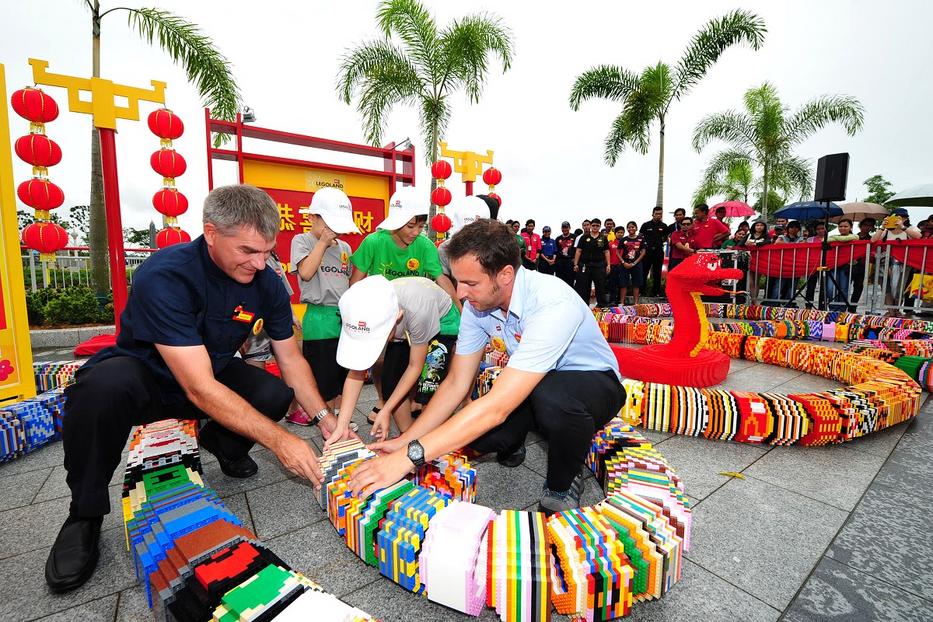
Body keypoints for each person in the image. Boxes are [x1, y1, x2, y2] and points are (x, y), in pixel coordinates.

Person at [46, 185, 341, 593]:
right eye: (247, 251)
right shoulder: (167, 274)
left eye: (267, 251)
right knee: (99, 390)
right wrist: (281, 442)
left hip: (212, 370)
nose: (259, 263)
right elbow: (198, 388)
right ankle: (84, 513)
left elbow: (290, 359)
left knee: (273, 394)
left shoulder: (267, 282)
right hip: (148, 374)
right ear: (211, 232)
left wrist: (326, 419)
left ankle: (222, 443)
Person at [346, 219, 625, 515]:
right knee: (477, 435)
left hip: (593, 384)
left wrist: (408, 457)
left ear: (505, 275)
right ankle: (515, 441)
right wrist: (407, 440)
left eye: (470, 283)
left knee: (551, 400)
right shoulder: (479, 306)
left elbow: (497, 407)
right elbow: (456, 382)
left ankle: (562, 483)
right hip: (535, 381)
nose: (460, 294)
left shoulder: (551, 302)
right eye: (457, 281)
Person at [349, 186, 458, 420]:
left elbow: (442, 279)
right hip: (383, 315)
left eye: (420, 226)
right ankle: (383, 400)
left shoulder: (425, 246)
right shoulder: (374, 242)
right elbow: (356, 282)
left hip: (414, 315)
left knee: (415, 363)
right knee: (380, 361)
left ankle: (408, 403)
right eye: (411, 226)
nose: (416, 232)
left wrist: (460, 309)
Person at [325, 276, 460, 445]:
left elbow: (414, 366)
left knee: (429, 386)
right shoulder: (364, 309)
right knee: (390, 383)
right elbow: (356, 371)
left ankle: (432, 441)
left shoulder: (417, 309)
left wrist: (386, 410)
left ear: (397, 318)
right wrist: (342, 425)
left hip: (442, 322)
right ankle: (408, 438)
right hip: (404, 326)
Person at [287, 187, 359, 425]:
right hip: (319, 318)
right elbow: (305, 273)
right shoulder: (303, 240)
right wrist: (323, 243)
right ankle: (328, 426)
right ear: (312, 217)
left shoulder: (345, 248)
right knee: (323, 380)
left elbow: (348, 282)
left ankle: (340, 420)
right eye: (328, 223)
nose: (333, 230)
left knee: (341, 376)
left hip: (343, 318)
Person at [872, 213, 921, 311]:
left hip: (903, 264)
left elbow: (918, 236)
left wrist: (902, 226)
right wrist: (882, 226)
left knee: (899, 287)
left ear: (906, 218)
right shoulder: (886, 231)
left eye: (900, 218)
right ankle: (890, 311)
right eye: (893, 218)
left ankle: (896, 310)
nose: (896, 220)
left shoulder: (909, 229)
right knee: (887, 288)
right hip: (885, 263)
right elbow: (873, 240)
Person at [573, 218, 611, 306]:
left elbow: (606, 251)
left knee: (600, 286)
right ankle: (585, 306)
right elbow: (578, 251)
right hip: (585, 265)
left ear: (600, 226)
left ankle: (602, 306)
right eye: (593, 225)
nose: (595, 227)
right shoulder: (584, 237)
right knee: (584, 287)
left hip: (599, 265)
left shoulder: (603, 238)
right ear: (590, 226)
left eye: (597, 226)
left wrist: (608, 265)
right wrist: (575, 264)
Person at [825, 218, 858, 311]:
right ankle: (833, 308)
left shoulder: (854, 237)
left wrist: (834, 238)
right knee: (830, 288)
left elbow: (849, 238)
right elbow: (824, 240)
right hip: (833, 266)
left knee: (844, 288)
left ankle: (842, 309)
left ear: (851, 227)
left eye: (845, 226)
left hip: (846, 266)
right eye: (840, 226)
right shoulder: (833, 238)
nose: (842, 228)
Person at [769, 220, 804, 304]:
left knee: (792, 287)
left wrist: (787, 245)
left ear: (799, 229)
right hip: (783, 265)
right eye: (792, 227)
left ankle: (789, 303)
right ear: (788, 229)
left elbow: (803, 245)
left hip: (796, 266)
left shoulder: (801, 238)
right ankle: (774, 303)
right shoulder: (781, 236)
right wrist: (795, 245)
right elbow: (777, 243)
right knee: (779, 285)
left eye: (796, 227)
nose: (794, 229)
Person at [639, 207, 668, 297]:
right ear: (653, 214)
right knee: (644, 271)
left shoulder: (664, 226)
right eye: (657, 213)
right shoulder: (645, 225)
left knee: (657, 272)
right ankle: (642, 291)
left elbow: (665, 238)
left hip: (658, 251)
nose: (658, 215)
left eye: (660, 214)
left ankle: (656, 292)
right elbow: (640, 237)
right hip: (647, 251)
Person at [849, 217, 876, 310]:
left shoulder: (872, 239)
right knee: (844, 286)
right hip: (849, 265)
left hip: (863, 266)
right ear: (860, 226)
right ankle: (842, 304)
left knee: (858, 287)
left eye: (870, 225)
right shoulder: (853, 237)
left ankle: (852, 307)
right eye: (865, 225)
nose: (867, 227)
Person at [619, 221, 647, 305]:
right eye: (629, 227)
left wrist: (635, 263)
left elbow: (643, 252)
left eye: (633, 227)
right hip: (625, 265)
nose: (631, 228)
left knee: (636, 284)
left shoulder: (641, 239)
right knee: (623, 284)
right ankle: (622, 303)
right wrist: (623, 262)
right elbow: (617, 252)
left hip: (637, 264)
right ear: (627, 229)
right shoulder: (624, 239)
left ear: (636, 228)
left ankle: (635, 303)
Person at [745, 220, 770, 302]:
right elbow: (740, 244)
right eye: (757, 225)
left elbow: (768, 242)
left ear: (764, 227)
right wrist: (746, 244)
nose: (759, 227)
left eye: (761, 225)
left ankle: (754, 300)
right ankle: (752, 299)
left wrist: (755, 244)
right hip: (749, 260)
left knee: (756, 281)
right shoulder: (749, 235)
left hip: (760, 260)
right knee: (751, 282)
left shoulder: (766, 236)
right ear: (754, 227)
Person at [555, 221, 576, 286]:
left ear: (569, 228)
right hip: (560, 262)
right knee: (560, 280)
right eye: (563, 228)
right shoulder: (558, 238)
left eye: (566, 227)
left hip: (570, 261)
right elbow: (556, 251)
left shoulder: (574, 237)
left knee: (570, 280)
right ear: (561, 228)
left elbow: (577, 249)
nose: (565, 229)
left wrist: (575, 259)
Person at [606, 226, 623, 304]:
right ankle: (612, 300)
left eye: (621, 232)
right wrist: (608, 265)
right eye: (618, 232)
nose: (620, 234)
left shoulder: (626, 243)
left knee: (621, 284)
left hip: (623, 266)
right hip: (613, 266)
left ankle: (620, 300)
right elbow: (607, 255)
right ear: (615, 233)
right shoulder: (610, 244)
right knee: (612, 284)